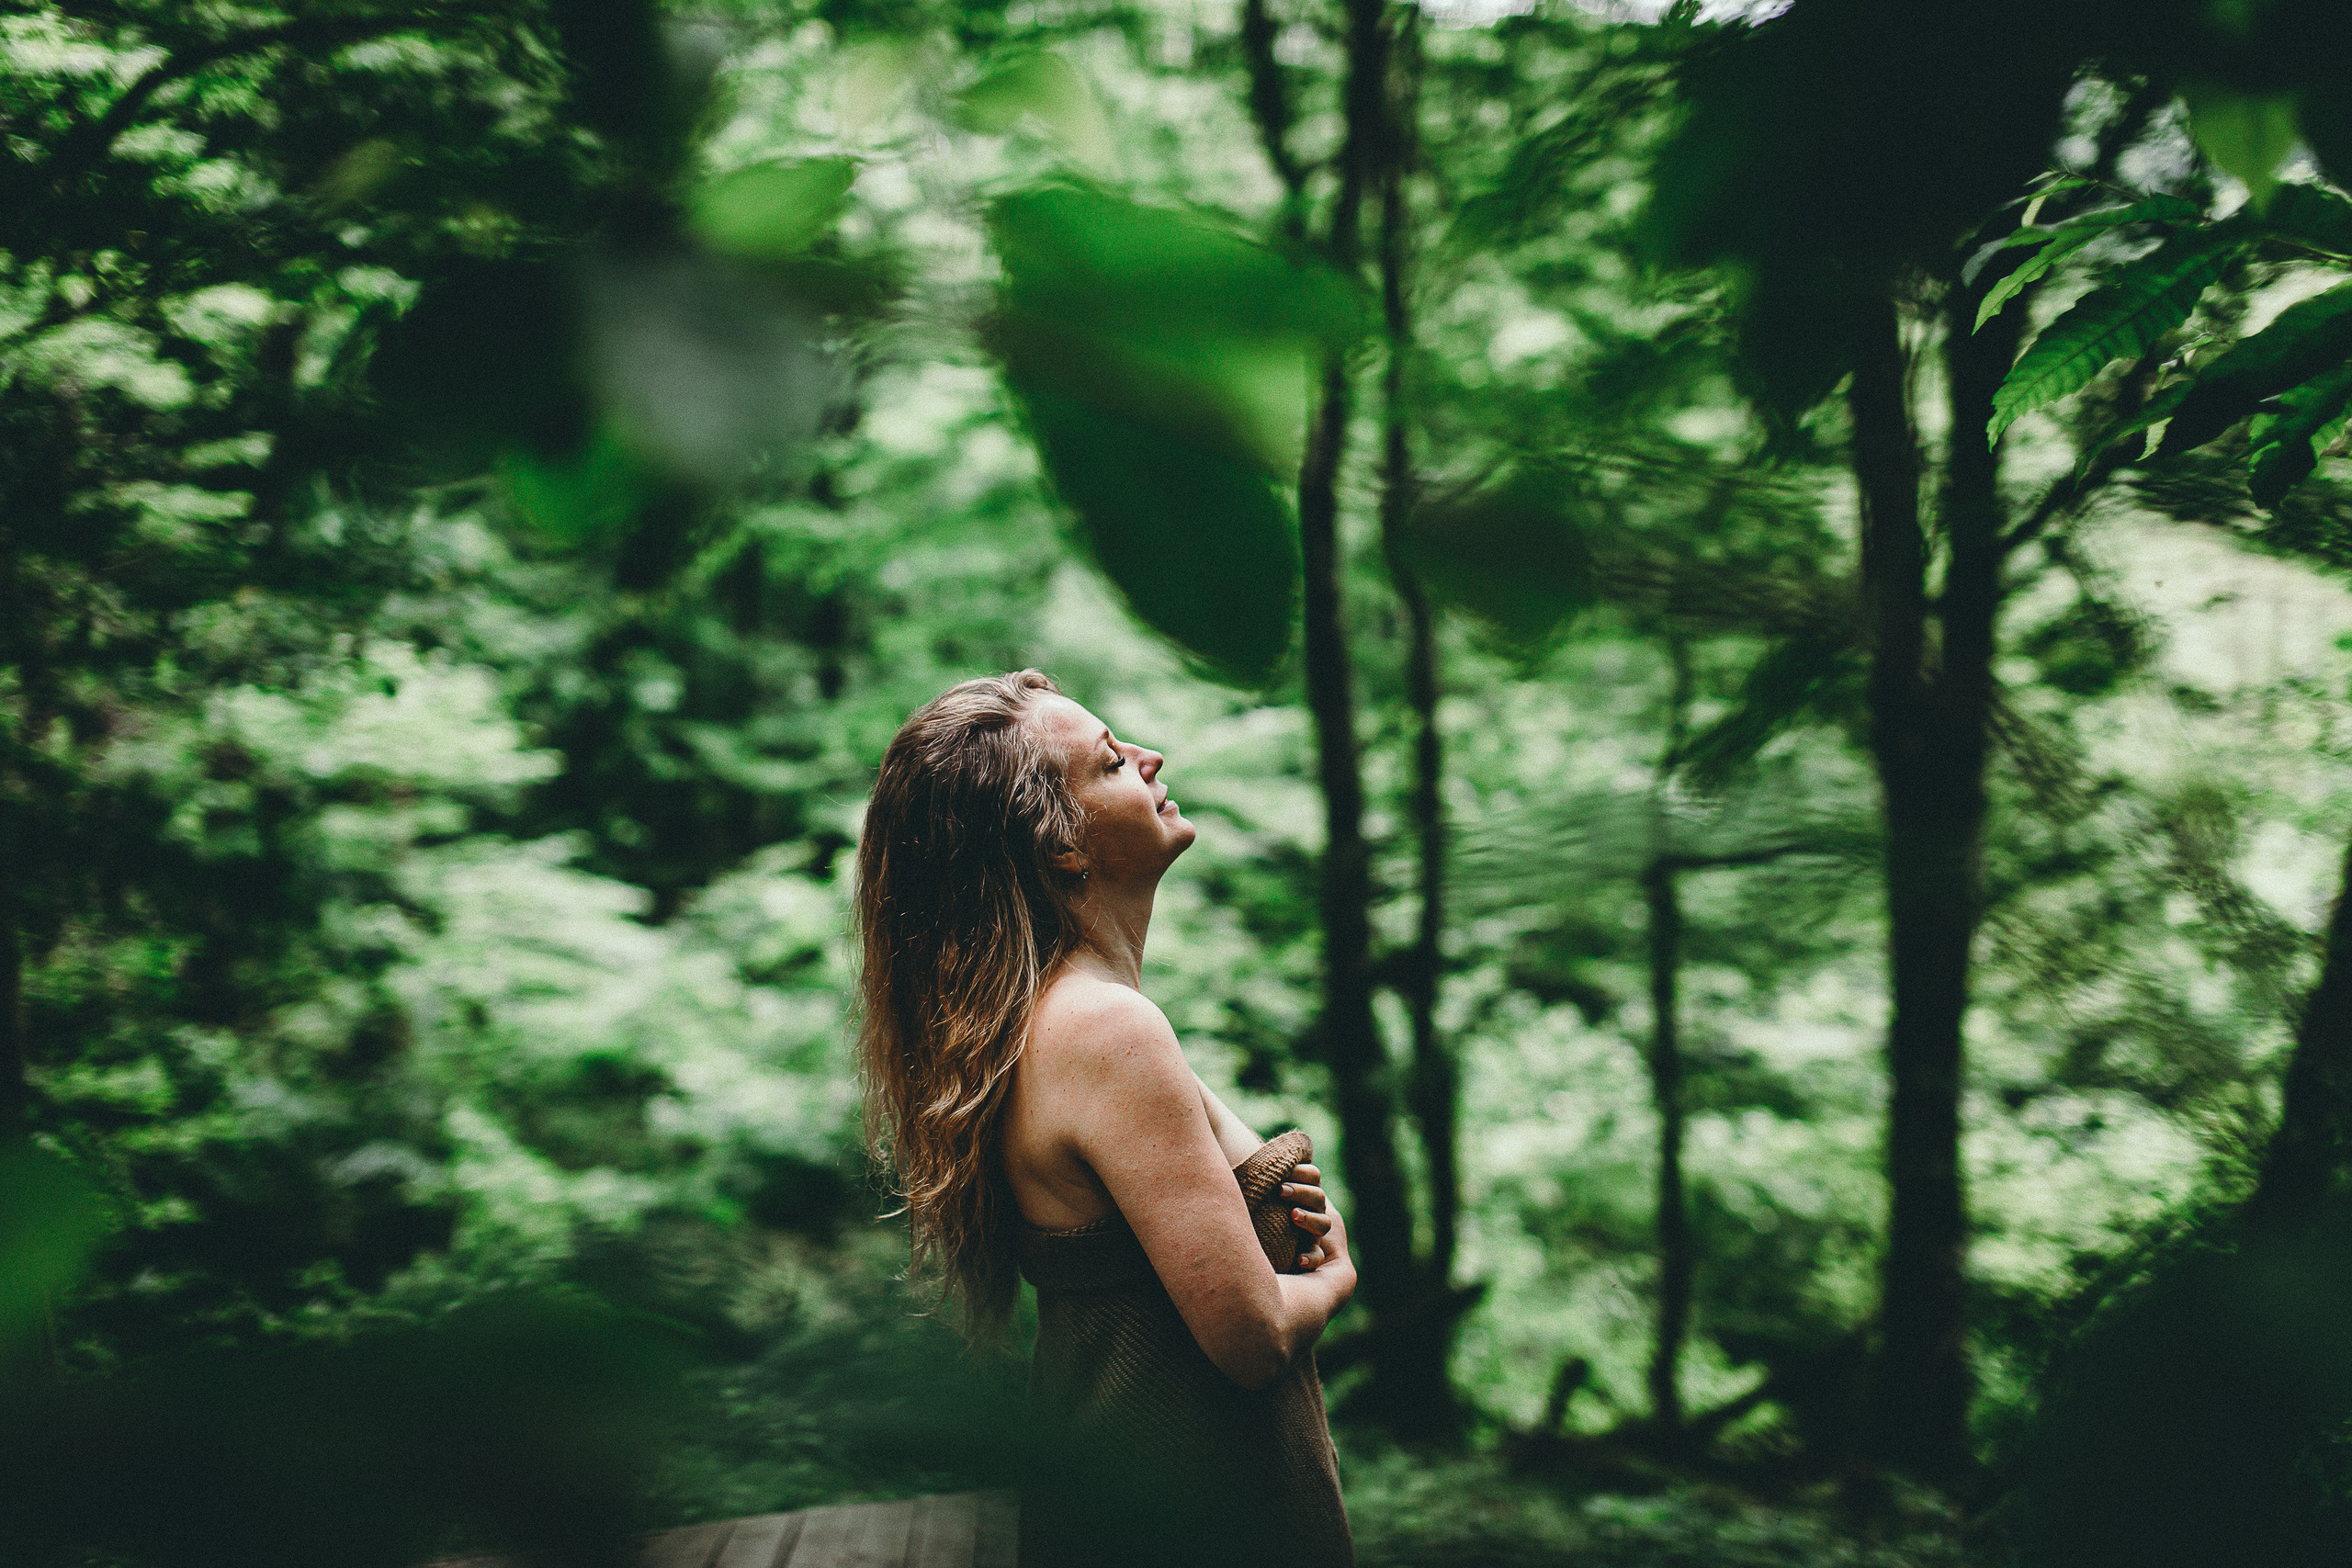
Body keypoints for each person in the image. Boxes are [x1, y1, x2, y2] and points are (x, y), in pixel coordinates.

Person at [855, 670, 1357, 1568]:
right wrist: (1334, 1278)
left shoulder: (1049, 1022)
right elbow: (1250, 1338)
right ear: (1063, 848)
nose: (1151, 758)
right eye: (1112, 762)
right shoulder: (1103, 1031)